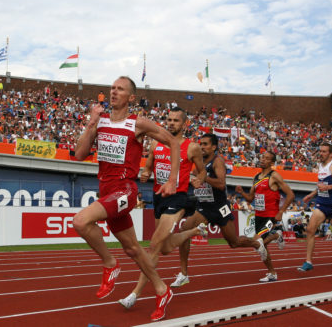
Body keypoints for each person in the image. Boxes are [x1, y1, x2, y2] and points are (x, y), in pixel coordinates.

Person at [72, 76, 177, 322]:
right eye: (112, 88)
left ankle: (110, 263)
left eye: (120, 89)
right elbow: (79, 154)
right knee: (133, 248)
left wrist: (172, 179)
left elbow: (172, 142)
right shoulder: (100, 122)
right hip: (106, 190)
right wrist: (91, 122)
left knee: (80, 221)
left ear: (131, 97)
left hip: (126, 190)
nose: (113, 92)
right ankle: (162, 290)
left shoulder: (137, 123)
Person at [118, 107, 208, 310]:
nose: (171, 123)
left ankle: (135, 294)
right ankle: (194, 231)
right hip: (158, 197)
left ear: (183, 124)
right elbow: (148, 167)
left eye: (176, 120)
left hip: (178, 198)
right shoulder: (156, 143)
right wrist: (145, 173)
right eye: (169, 119)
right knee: (165, 248)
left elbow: (202, 172)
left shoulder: (192, 147)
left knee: (154, 247)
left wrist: (198, 180)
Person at [165, 133, 268, 286]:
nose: (202, 147)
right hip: (203, 207)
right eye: (200, 144)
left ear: (214, 147)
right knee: (185, 232)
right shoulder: (198, 162)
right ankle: (184, 274)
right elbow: (195, 177)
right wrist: (194, 180)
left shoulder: (217, 161)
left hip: (220, 208)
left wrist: (202, 178)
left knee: (233, 243)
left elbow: (221, 184)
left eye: (205, 144)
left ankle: (257, 244)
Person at [237, 150, 294, 282]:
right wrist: (241, 193)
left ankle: (276, 235)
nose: (262, 160)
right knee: (263, 247)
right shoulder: (256, 178)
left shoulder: (274, 176)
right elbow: (250, 199)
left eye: (266, 158)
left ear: (272, 163)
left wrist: (281, 211)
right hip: (258, 216)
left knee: (257, 242)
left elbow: (291, 195)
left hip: (271, 215)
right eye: (262, 157)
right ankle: (272, 273)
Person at [297, 143, 332, 271]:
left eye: (324, 151)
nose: (320, 153)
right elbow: (321, 184)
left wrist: (328, 187)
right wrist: (312, 194)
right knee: (310, 229)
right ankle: (308, 262)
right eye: (320, 151)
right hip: (321, 203)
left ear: (331, 154)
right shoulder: (320, 165)